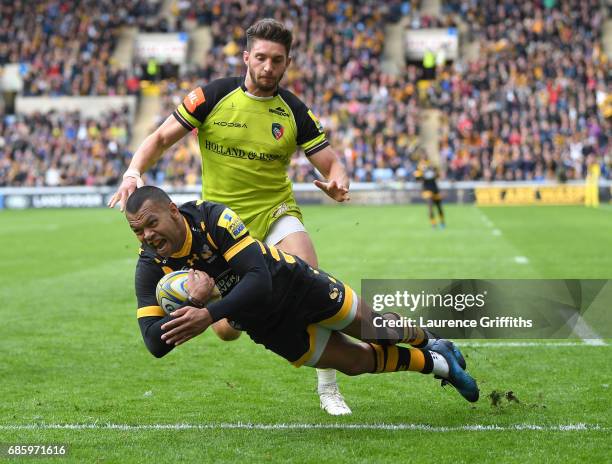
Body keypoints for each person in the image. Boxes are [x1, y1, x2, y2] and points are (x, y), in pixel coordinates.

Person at [109, 18, 352, 415]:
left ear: (287, 62)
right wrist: (133, 171)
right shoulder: (211, 97)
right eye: (261, 58)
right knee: (224, 331)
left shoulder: (293, 110)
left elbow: (331, 162)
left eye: (277, 60)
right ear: (246, 57)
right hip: (221, 227)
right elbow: (158, 138)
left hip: (275, 212)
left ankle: (328, 384)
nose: (268, 67)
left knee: (309, 272)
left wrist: (338, 181)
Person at [126, 186, 479, 405]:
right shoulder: (150, 268)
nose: (146, 235)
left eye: (151, 223)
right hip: (266, 325)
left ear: (173, 211)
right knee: (356, 363)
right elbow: (154, 343)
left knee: (379, 330)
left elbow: (259, 279)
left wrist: (209, 313)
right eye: (138, 230)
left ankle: (431, 341)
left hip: (295, 284)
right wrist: (194, 302)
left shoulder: (211, 217)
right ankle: (440, 365)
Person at [414, 153, 445, 228]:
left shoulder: (432, 165)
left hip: (434, 188)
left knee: (439, 207)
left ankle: (442, 222)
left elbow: (438, 175)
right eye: (422, 156)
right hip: (426, 189)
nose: (423, 157)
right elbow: (417, 178)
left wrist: (434, 174)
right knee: (430, 207)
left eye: (424, 156)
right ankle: (433, 224)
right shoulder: (419, 167)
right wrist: (422, 175)